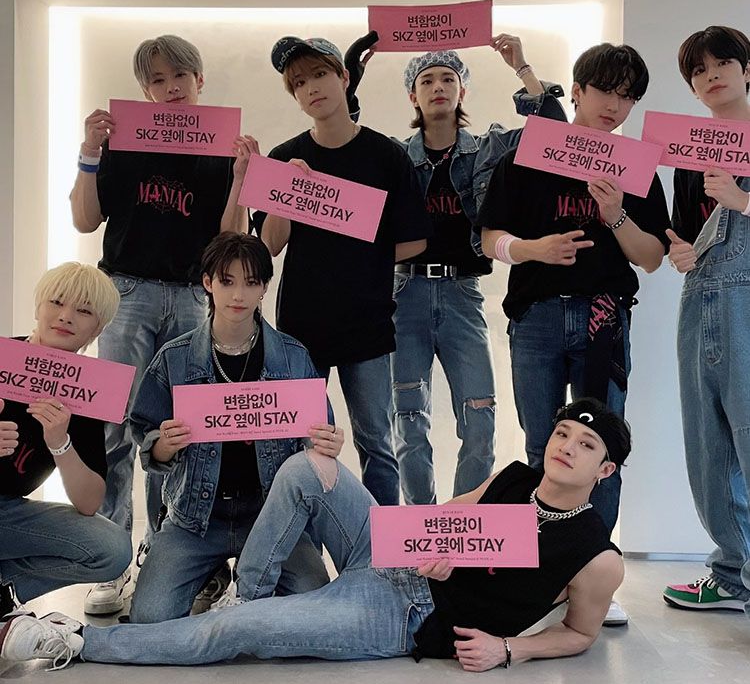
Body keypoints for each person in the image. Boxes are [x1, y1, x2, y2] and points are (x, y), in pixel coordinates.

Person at [0, 398, 629, 672]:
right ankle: (248, 591)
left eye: (586, 445)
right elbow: (447, 516)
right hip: (389, 553)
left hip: (407, 614)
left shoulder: (597, 557)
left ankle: (73, 641)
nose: (566, 448)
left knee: (235, 634)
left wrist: (510, 650)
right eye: (563, 434)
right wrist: (435, 543)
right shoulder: (516, 476)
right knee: (309, 466)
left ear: (605, 470)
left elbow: (579, 633)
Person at [476, 43, 670, 626]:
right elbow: (488, 239)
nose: (614, 105)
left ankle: (592, 581)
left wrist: (616, 216)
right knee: (543, 447)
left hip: (604, 319)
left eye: (627, 96)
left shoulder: (634, 166)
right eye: (604, 90)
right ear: (577, 91)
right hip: (536, 316)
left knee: (601, 452)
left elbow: (652, 257)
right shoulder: (527, 155)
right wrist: (531, 249)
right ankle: (540, 576)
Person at [70, 34, 255, 614]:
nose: (171, 88)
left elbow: (230, 238)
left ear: (199, 80)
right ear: (144, 90)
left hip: (194, 294)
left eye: (180, 76)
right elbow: (85, 219)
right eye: (157, 80)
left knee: (178, 429)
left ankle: (166, 554)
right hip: (126, 292)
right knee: (113, 425)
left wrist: (242, 176)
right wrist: (90, 152)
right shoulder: (123, 142)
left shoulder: (219, 144)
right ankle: (110, 559)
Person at [383, 35, 566, 505]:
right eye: (427, 81)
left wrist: (522, 68)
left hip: (462, 293)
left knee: (480, 414)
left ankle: (464, 519)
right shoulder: (395, 156)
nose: (438, 87)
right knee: (407, 416)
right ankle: (421, 522)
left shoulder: (490, 148)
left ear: (461, 91)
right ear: (413, 95)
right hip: (405, 295)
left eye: (448, 79)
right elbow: (347, 151)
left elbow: (553, 134)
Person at [126, 232, 338, 623]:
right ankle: (216, 575)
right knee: (150, 618)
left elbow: (318, 432)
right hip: (195, 517)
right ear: (208, 283)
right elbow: (143, 431)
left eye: (251, 282)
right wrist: (163, 445)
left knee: (314, 607)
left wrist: (326, 444)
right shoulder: (174, 358)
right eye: (227, 281)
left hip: (271, 515)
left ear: (264, 287)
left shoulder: (293, 357)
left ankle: (248, 578)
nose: (238, 294)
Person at [260, 36, 431, 506]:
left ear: (344, 77)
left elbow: (416, 239)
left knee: (376, 441)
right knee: (299, 442)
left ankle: (379, 544)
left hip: (367, 321)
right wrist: (287, 192)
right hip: (301, 325)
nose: (311, 88)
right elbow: (269, 244)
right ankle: (303, 542)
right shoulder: (283, 156)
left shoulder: (386, 154)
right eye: (299, 83)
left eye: (320, 75)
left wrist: (362, 252)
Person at [663, 25, 750, 615]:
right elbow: (683, 230)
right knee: (707, 442)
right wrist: (679, 252)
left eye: (722, 63)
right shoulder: (687, 150)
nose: (711, 75)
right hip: (700, 299)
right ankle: (731, 572)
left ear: (746, 70)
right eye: (698, 70)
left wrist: (744, 200)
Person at [0, 262, 131, 619]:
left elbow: (89, 502)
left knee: (112, 548)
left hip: (7, 513)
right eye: (56, 302)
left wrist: (60, 443)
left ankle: (5, 591)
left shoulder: (87, 394)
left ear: (98, 328)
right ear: (38, 308)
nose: (66, 316)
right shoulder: (3, 357)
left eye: (84, 311)